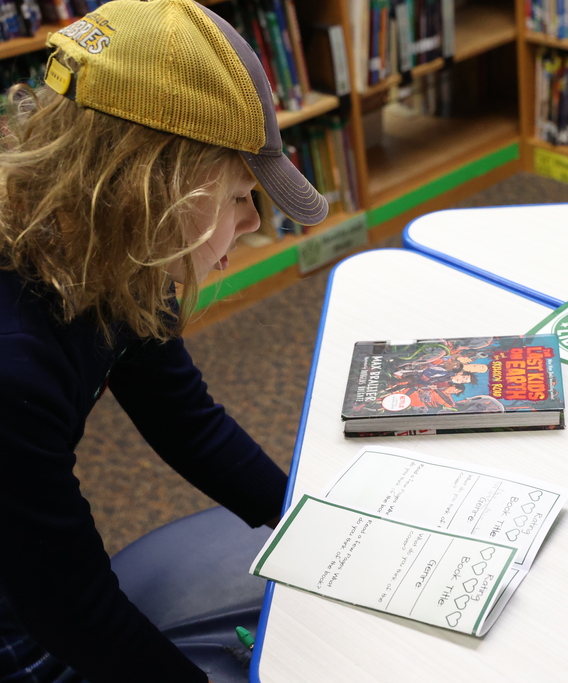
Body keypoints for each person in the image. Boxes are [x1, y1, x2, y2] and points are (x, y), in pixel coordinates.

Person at [0, 1, 328, 681]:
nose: (250, 224)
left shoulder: (105, 248)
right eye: (241, 195)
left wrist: (308, 529)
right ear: (160, 184)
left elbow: (189, 424)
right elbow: (71, 606)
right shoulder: (14, 366)